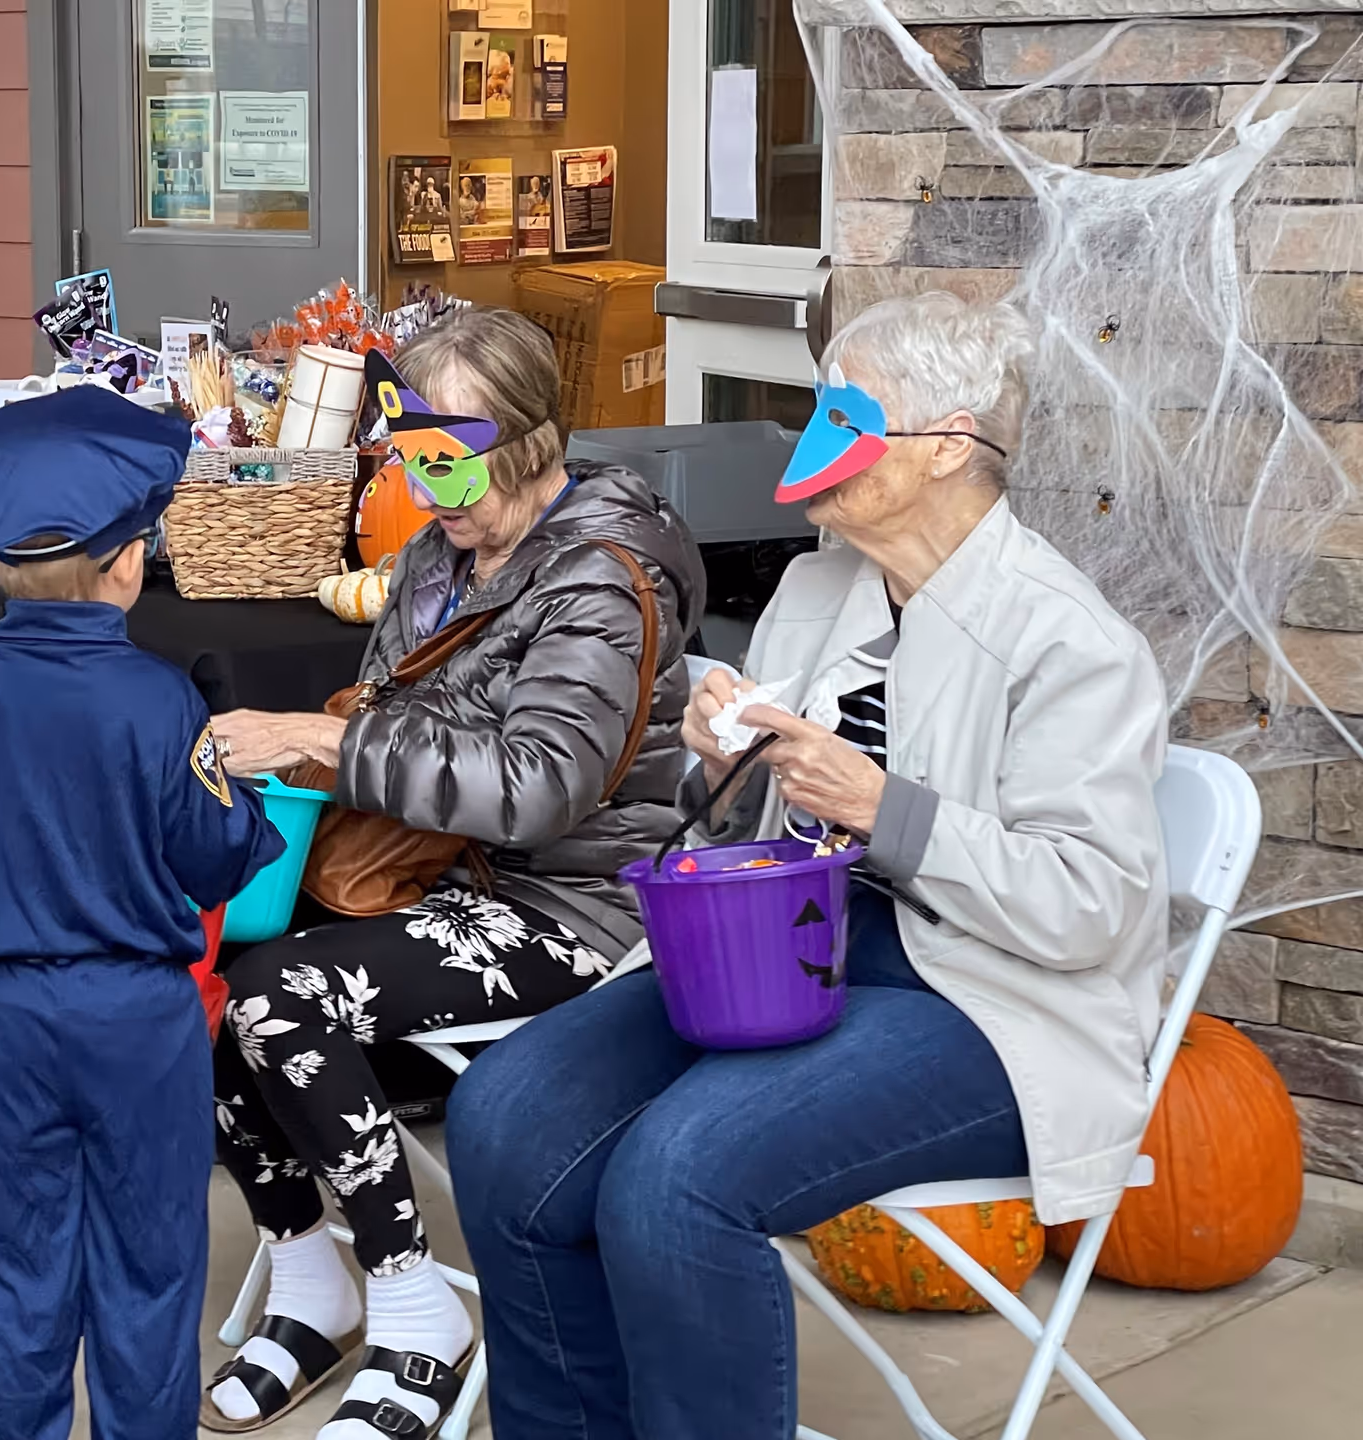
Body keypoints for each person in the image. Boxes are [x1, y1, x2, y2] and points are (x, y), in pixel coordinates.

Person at [445, 292, 1170, 1440]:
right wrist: (717, 761)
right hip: (786, 953)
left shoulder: (1069, 643)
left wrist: (888, 810)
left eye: (847, 412)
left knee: (678, 1178)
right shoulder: (814, 588)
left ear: (943, 447)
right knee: (503, 1116)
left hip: (987, 998)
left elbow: (1090, 908)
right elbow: (737, 832)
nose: (813, 437)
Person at [201, 309, 704, 1438]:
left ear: (528, 442)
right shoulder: (445, 550)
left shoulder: (603, 578)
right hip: (449, 887)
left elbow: (539, 790)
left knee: (283, 1000)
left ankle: (415, 1309)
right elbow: (406, 725)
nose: (427, 494)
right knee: (197, 980)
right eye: (407, 457)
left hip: (575, 909)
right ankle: (307, 1276)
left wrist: (325, 741)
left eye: (447, 462)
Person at [0, 385, 288, 1440]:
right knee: (148, 1272)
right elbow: (218, 857)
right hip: (139, 1019)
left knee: (14, 1274)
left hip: (2, 1018)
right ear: (130, 563)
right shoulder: (163, 700)